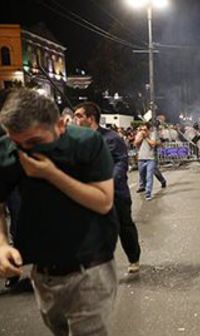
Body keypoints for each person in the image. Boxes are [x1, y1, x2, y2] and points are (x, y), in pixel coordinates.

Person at [0, 88, 118, 334]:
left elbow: (103, 201)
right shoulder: (7, 149)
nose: (26, 151)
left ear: (61, 125)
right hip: (43, 274)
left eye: (35, 142)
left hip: (90, 269)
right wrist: (1, 244)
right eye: (16, 142)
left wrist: (50, 174)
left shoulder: (87, 143)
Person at [74, 102, 141, 274]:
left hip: (115, 193)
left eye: (79, 116)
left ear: (91, 118)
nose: (75, 119)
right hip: (90, 195)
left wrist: (108, 181)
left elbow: (121, 162)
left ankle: (133, 258)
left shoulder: (111, 138)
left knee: (124, 227)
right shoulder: (77, 139)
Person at [134, 122, 162, 201]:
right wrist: (141, 137)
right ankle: (143, 187)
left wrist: (146, 137)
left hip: (150, 158)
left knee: (149, 176)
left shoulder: (152, 134)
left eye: (145, 129)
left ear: (148, 129)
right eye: (142, 129)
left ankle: (148, 193)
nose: (143, 131)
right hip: (141, 158)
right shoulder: (139, 134)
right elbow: (135, 143)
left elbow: (153, 144)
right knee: (142, 176)